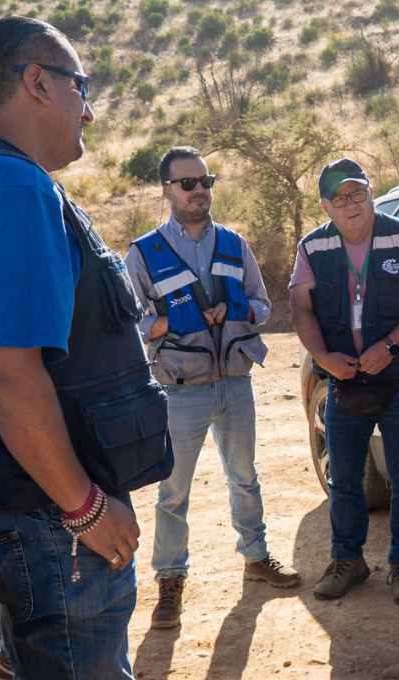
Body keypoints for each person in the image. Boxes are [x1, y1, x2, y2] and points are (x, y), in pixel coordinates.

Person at [0, 16, 172, 679]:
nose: (88, 109)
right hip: (47, 520)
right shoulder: (10, 182)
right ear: (36, 83)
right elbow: (5, 372)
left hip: (17, 507)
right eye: (79, 86)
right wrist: (82, 506)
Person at [126, 146, 300, 630]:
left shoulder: (233, 243)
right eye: (188, 183)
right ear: (167, 191)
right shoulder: (143, 252)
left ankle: (256, 556)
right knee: (173, 492)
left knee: (244, 476)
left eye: (206, 181)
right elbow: (130, 324)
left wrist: (239, 309)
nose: (200, 190)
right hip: (181, 390)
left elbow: (266, 306)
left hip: (236, 382)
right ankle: (170, 581)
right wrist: (168, 320)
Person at [289, 158, 399, 604]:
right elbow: (300, 306)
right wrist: (323, 359)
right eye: (340, 198)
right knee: (344, 478)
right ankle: (348, 560)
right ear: (325, 206)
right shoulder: (312, 247)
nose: (352, 204)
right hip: (344, 382)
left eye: (358, 193)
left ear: (371, 193)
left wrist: (391, 347)